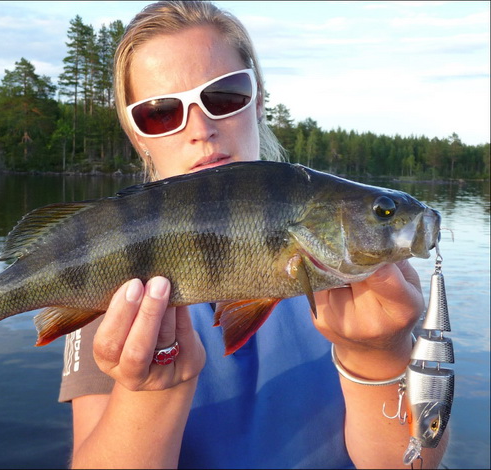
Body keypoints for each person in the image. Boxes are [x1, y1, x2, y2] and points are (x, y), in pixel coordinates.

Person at [59, 1, 448, 468]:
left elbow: (412, 463)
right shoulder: (107, 274)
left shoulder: (367, 279)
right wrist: (152, 391)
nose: (201, 129)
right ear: (137, 135)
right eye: (161, 113)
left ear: (259, 100)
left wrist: (380, 356)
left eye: (224, 96)